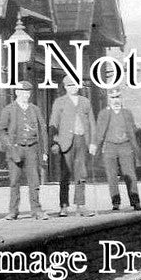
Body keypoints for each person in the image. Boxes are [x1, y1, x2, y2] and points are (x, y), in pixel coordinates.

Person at [0, 80, 49, 220]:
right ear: (16, 93)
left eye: (28, 92)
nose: (25, 95)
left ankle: (36, 210)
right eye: (22, 92)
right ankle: (13, 211)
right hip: (15, 150)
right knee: (14, 181)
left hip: (32, 149)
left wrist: (44, 151)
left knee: (34, 181)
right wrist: (10, 145)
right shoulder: (8, 109)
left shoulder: (35, 109)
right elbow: (1, 131)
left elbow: (43, 130)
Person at [48, 75, 96, 217]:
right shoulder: (59, 102)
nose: (72, 88)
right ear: (65, 87)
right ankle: (63, 206)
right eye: (69, 85)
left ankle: (80, 205)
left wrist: (93, 142)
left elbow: (92, 123)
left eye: (74, 84)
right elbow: (53, 124)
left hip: (81, 140)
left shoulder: (85, 102)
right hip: (65, 142)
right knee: (65, 174)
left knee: (81, 174)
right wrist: (55, 142)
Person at [93, 88, 141, 211]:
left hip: (125, 146)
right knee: (111, 175)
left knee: (130, 174)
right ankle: (115, 202)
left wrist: (131, 136)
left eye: (117, 97)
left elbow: (133, 129)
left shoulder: (127, 113)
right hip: (109, 147)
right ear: (108, 99)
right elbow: (99, 131)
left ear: (121, 99)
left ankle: (135, 201)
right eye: (112, 97)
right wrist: (95, 145)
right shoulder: (103, 113)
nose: (115, 100)